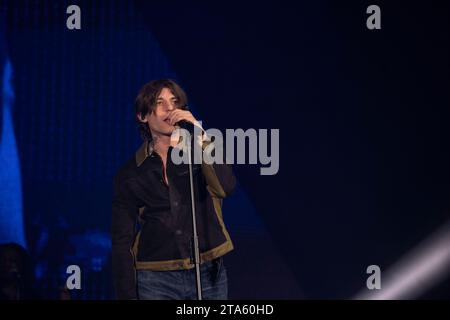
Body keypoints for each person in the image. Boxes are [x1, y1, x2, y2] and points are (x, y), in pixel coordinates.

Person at [111, 79, 236, 300]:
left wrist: (200, 134)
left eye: (174, 101)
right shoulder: (130, 173)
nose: (170, 108)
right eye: (160, 102)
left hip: (208, 271)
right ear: (143, 115)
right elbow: (122, 241)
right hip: (156, 276)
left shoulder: (199, 152)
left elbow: (225, 186)